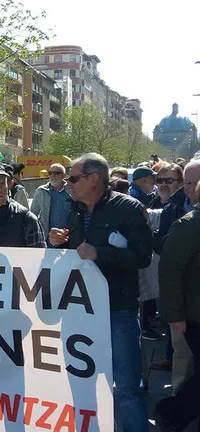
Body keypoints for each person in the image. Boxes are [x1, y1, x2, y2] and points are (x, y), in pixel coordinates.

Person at [48, 153, 151, 432]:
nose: (69, 184)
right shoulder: (75, 209)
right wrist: (58, 242)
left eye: (74, 178)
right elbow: (74, 253)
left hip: (118, 309)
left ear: (94, 180)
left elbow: (143, 256)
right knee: (81, 382)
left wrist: (100, 254)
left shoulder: (129, 209)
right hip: (80, 310)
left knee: (126, 387)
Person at [155, 184, 200, 432]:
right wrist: (174, 315)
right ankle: (171, 412)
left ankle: (173, 414)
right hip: (194, 315)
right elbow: (170, 269)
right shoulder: (190, 224)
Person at [149, 161, 197, 382]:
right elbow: (168, 263)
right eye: (160, 181)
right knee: (183, 357)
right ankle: (177, 411)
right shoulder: (173, 209)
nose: (191, 187)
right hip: (185, 301)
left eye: (170, 181)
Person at [30, 163, 71, 240]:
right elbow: (33, 214)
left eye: (56, 173)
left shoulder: (71, 190)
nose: (52, 176)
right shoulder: (41, 191)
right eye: (50, 173)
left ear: (64, 175)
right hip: (48, 237)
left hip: (69, 236)